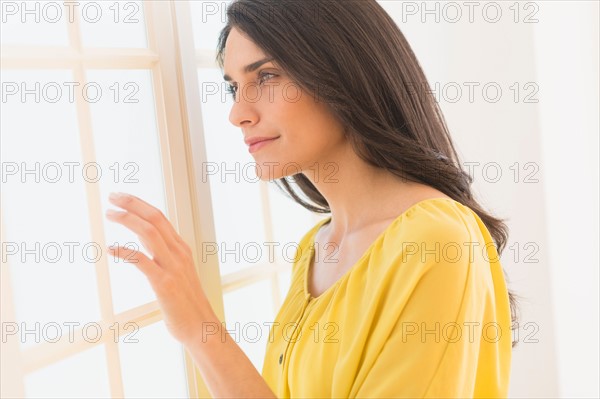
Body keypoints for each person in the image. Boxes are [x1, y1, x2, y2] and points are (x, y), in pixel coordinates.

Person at [106, 0, 516, 397]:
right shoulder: (317, 247)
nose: (238, 113)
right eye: (234, 86)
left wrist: (201, 327)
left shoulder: (435, 240)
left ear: (343, 73)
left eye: (266, 77)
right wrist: (197, 329)